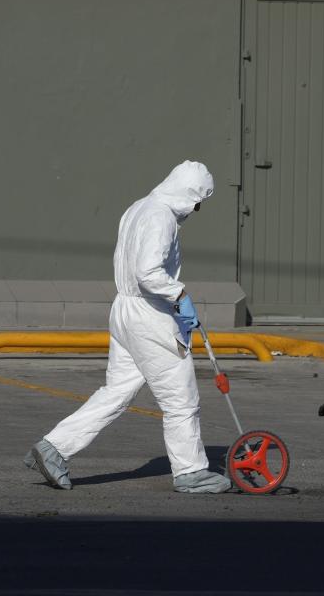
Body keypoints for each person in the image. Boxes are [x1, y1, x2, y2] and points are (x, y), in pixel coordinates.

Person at [25, 160, 232, 494]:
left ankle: (54, 448)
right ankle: (191, 471)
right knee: (181, 400)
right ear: (190, 196)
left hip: (123, 309)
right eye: (198, 203)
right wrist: (179, 295)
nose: (196, 211)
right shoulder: (161, 216)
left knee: (116, 392)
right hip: (150, 315)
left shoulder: (137, 208)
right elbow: (148, 272)